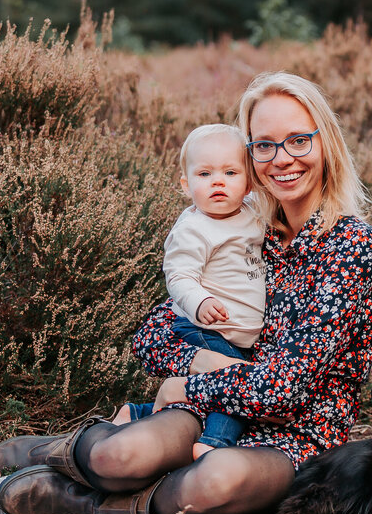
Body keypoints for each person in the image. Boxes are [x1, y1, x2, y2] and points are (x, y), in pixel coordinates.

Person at [0, 72, 372, 514]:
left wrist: (190, 385)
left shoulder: (351, 247)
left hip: (294, 437)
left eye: (298, 141)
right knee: (120, 454)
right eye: (263, 145)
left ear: (325, 143)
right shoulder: (245, 234)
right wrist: (204, 360)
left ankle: (82, 500)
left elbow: (284, 391)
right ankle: (51, 450)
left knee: (214, 482)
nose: (281, 159)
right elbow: (151, 335)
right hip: (218, 407)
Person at [109, 123, 265, 459]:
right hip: (205, 327)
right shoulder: (194, 228)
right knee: (235, 385)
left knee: (223, 386)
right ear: (186, 184)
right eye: (205, 174)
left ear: (249, 183)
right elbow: (178, 276)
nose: (218, 181)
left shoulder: (253, 213)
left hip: (238, 334)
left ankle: (138, 413)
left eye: (230, 172)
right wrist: (201, 301)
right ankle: (214, 445)